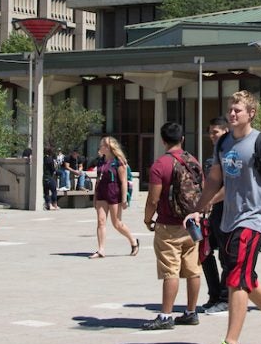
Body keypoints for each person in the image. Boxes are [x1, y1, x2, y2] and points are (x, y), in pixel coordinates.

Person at [182, 91, 261, 344]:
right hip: (227, 219)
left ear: (251, 114)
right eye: (231, 110)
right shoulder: (223, 144)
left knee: (235, 279)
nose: (233, 114)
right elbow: (214, 179)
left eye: (238, 110)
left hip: (252, 220)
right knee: (242, 274)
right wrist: (198, 209)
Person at [141, 121, 202, 330]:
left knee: (171, 271)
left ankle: (166, 316)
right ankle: (191, 312)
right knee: (193, 269)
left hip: (168, 225)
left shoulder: (160, 165)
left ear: (162, 140)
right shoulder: (192, 161)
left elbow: (153, 199)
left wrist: (148, 219)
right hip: (192, 224)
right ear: (182, 139)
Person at [200, 117, 231, 314]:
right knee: (203, 251)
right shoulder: (215, 155)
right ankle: (214, 293)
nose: (212, 136)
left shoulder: (230, 154)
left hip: (229, 211)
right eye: (210, 132)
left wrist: (209, 201)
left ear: (226, 131)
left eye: (216, 132)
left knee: (226, 257)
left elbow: (231, 186)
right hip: (214, 213)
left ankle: (226, 297)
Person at [89, 135, 138, 258]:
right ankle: (101, 249)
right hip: (101, 192)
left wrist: (124, 199)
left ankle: (133, 241)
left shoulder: (119, 161)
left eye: (102, 145)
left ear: (108, 147)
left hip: (114, 192)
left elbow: (123, 181)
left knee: (116, 223)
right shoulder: (101, 160)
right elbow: (98, 179)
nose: (100, 147)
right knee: (101, 221)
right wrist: (95, 197)